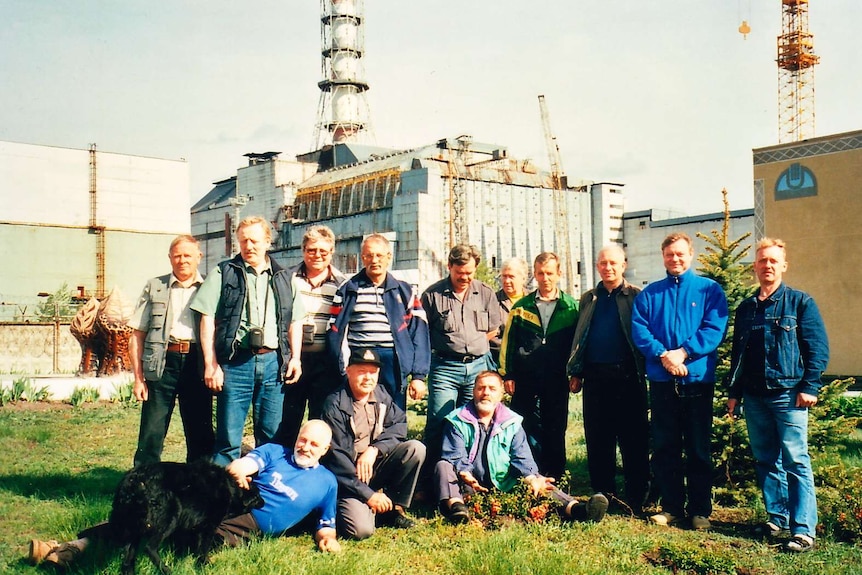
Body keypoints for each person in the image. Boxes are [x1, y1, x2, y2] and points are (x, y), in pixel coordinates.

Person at [28, 420, 341, 568]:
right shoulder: (276, 451)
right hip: (228, 505)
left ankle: (72, 552)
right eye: (303, 439)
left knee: (172, 534)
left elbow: (326, 524)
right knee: (154, 519)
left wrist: (327, 539)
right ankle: (71, 548)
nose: (305, 447)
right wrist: (241, 470)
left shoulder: (326, 483)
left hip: (247, 529)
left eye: (314, 444)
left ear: (325, 449)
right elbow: (242, 464)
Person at [725, 238, 829, 553]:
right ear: (755, 266)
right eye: (762, 261)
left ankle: (803, 530)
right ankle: (777, 518)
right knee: (766, 460)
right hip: (754, 398)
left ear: (783, 265)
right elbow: (738, 354)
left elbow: (818, 349)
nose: (767, 266)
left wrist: (810, 386)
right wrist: (735, 393)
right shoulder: (746, 308)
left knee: (796, 461)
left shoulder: (800, 303)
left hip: (789, 396)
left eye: (773, 261)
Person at [631, 232, 728, 531]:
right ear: (663, 257)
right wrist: (664, 355)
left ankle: (700, 510)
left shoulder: (710, 290)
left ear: (691, 255)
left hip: (697, 380)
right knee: (665, 445)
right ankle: (671, 507)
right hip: (662, 381)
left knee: (698, 447)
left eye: (680, 254)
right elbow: (640, 330)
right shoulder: (650, 294)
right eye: (670, 254)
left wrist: (684, 353)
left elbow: (714, 328)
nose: (675, 259)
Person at [190, 216, 303, 466]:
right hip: (235, 363)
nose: (248, 246)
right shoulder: (223, 272)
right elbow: (206, 319)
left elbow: (295, 321)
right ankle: (222, 500)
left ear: (267, 241)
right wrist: (211, 364)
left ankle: (267, 496)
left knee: (271, 438)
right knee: (228, 439)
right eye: (243, 241)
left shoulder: (285, 277)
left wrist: (295, 358)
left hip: (273, 364)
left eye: (254, 240)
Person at [436, 370, 608, 524]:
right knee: (443, 466)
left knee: (539, 482)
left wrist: (531, 477)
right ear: (473, 392)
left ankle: (578, 510)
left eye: (492, 389)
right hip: (468, 483)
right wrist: (465, 472)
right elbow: (454, 454)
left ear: (501, 395)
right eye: (481, 388)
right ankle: (458, 509)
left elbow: (522, 457)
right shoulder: (457, 419)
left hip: (503, 483)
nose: (486, 393)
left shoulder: (512, 422)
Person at [566, 245, 649, 512]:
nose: (608, 267)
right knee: (598, 437)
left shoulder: (636, 296)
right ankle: (603, 493)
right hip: (596, 377)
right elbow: (581, 336)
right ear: (597, 266)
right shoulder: (589, 298)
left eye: (613, 263)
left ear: (624, 265)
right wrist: (576, 371)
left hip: (628, 376)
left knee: (632, 438)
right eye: (603, 263)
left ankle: (635, 496)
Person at [320, 348, 425, 540]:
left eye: (373, 372)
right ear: (348, 370)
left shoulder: (381, 394)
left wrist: (374, 449)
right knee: (361, 531)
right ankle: (365, 504)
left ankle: (393, 510)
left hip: (374, 466)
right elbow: (338, 461)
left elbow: (399, 425)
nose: (368, 378)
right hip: (348, 478)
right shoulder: (334, 404)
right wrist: (368, 495)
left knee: (415, 449)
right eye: (361, 371)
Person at [127, 234, 214, 467]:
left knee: (200, 431)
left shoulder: (211, 287)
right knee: (152, 431)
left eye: (188, 255)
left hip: (197, 363)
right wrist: (138, 378)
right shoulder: (155, 286)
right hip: (163, 363)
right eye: (177, 256)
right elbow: (137, 334)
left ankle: (197, 488)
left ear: (199, 257)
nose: (182, 260)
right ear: (169, 258)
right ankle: (144, 484)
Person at [421, 244, 502, 474]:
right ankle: (432, 479)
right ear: (450, 267)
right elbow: (422, 334)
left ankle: (470, 475)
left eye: (470, 273)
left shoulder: (486, 292)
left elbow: (492, 330)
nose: (465, 277)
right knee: (439, 421)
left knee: (475, 421)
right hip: (445, 368)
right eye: (460, 273)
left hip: (477, 367)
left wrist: (472, 345)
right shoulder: (432, 295)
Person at [327, 233, 430, 410]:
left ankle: (393, 439)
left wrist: (418, 376)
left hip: (393, 358)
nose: (374, 260)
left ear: (389, 257)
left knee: (393, 411)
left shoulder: (404, 291)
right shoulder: (348, 289)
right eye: (369, 255)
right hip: (360, 356)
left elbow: (419, 333)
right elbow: (334, 330)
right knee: (357, 409)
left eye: (379, 255)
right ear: (362, 258)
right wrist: (341, 366)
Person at [499, 252, 579, 479]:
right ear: (534, 274)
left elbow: (578, 344)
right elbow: (509, 343)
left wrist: (576, 373)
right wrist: (508, 375)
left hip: (556, 378)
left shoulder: (571, 307)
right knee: (525, 426)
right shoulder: (522, 306)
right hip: (526, 378)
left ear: (559, 274)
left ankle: (556, 476)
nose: (545, 278)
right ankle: (529, 474)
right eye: (541, 273)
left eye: (550, 273)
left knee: (556, 426)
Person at [278, 225, 346, 449]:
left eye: (323, 251)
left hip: (324, 362)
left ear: (332, 252)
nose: (317, 255)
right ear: (303, 250)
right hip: (292, 359)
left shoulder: (342, 284)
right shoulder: (287, 279)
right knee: (287, 420)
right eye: (311, 250)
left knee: (320, 419)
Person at [489, 257, 529, 367]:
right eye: (504, 276)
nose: (507, 281)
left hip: (528, 363)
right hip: (498, 362)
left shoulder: (533, 302)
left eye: (511, 277)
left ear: (523, 278)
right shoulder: (492, 301)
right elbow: (490, 336)